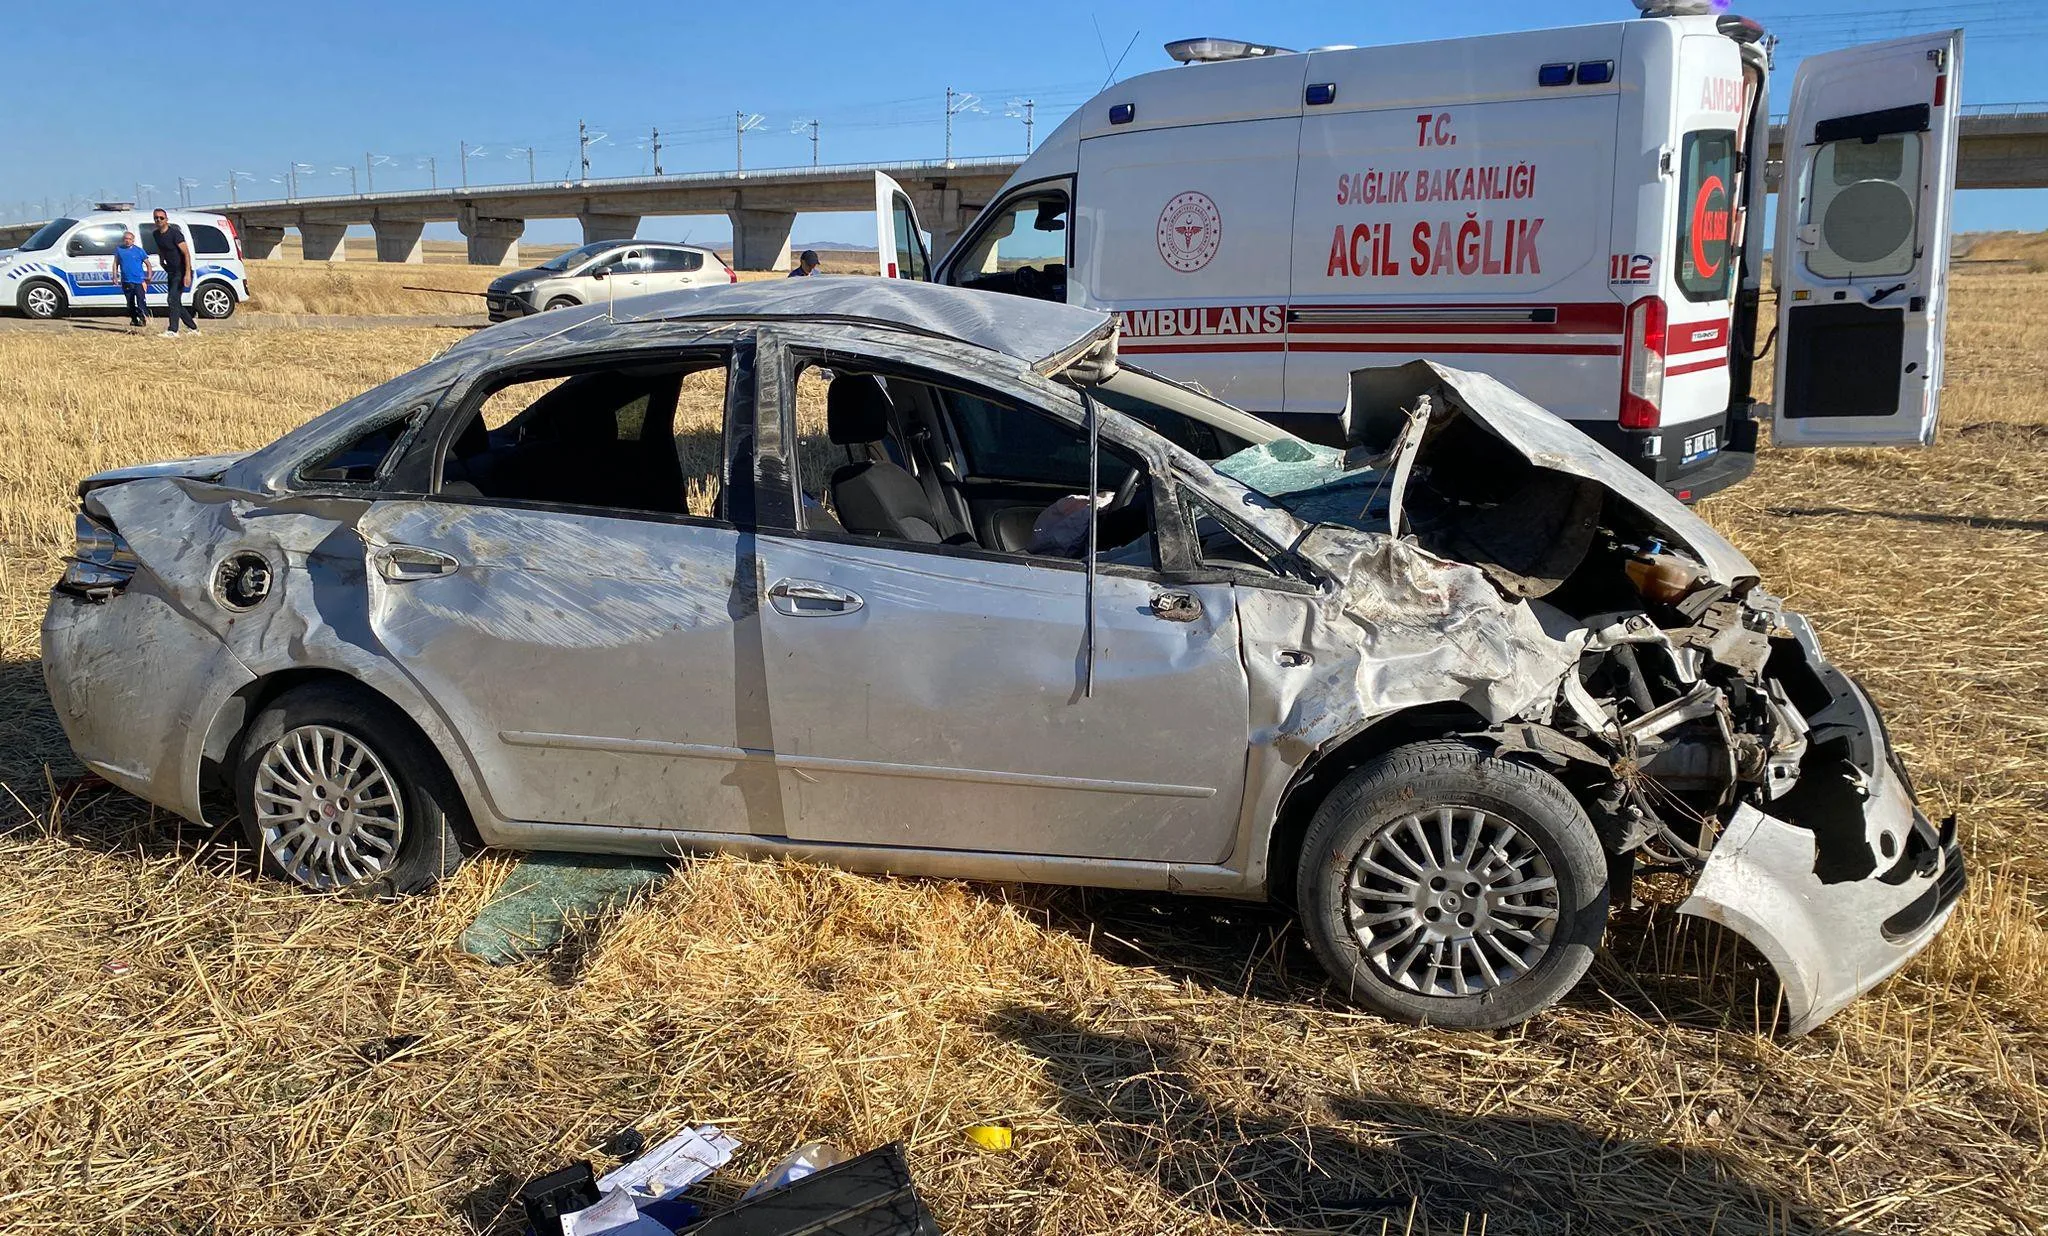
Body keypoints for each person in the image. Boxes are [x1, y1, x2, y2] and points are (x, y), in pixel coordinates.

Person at [151, 209, 198, 337]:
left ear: (166, 219)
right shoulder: (156, 234)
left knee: (172, 299)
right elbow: (161, 248)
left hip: (181, 270)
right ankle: (193, 328)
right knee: (175, 301)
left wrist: (187, 273)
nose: (158, 220)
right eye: (156, 218)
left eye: (161, 218)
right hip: (171, 270)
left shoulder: (175, 234)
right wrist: (161, 261)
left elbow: (186, 253)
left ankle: (173, 330)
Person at [113, 231, 150, 328]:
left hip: (138, 281)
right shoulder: (119, 250)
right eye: (126, 239)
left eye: (130, 239)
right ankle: (134, 319)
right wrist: (115, 276)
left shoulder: (139, 250)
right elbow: (115, 263)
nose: (127, 241)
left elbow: (148, 264)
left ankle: (143, 319)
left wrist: (149, 276)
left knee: (141, 301)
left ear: (133, 240)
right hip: (126, 281)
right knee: (130, 303)